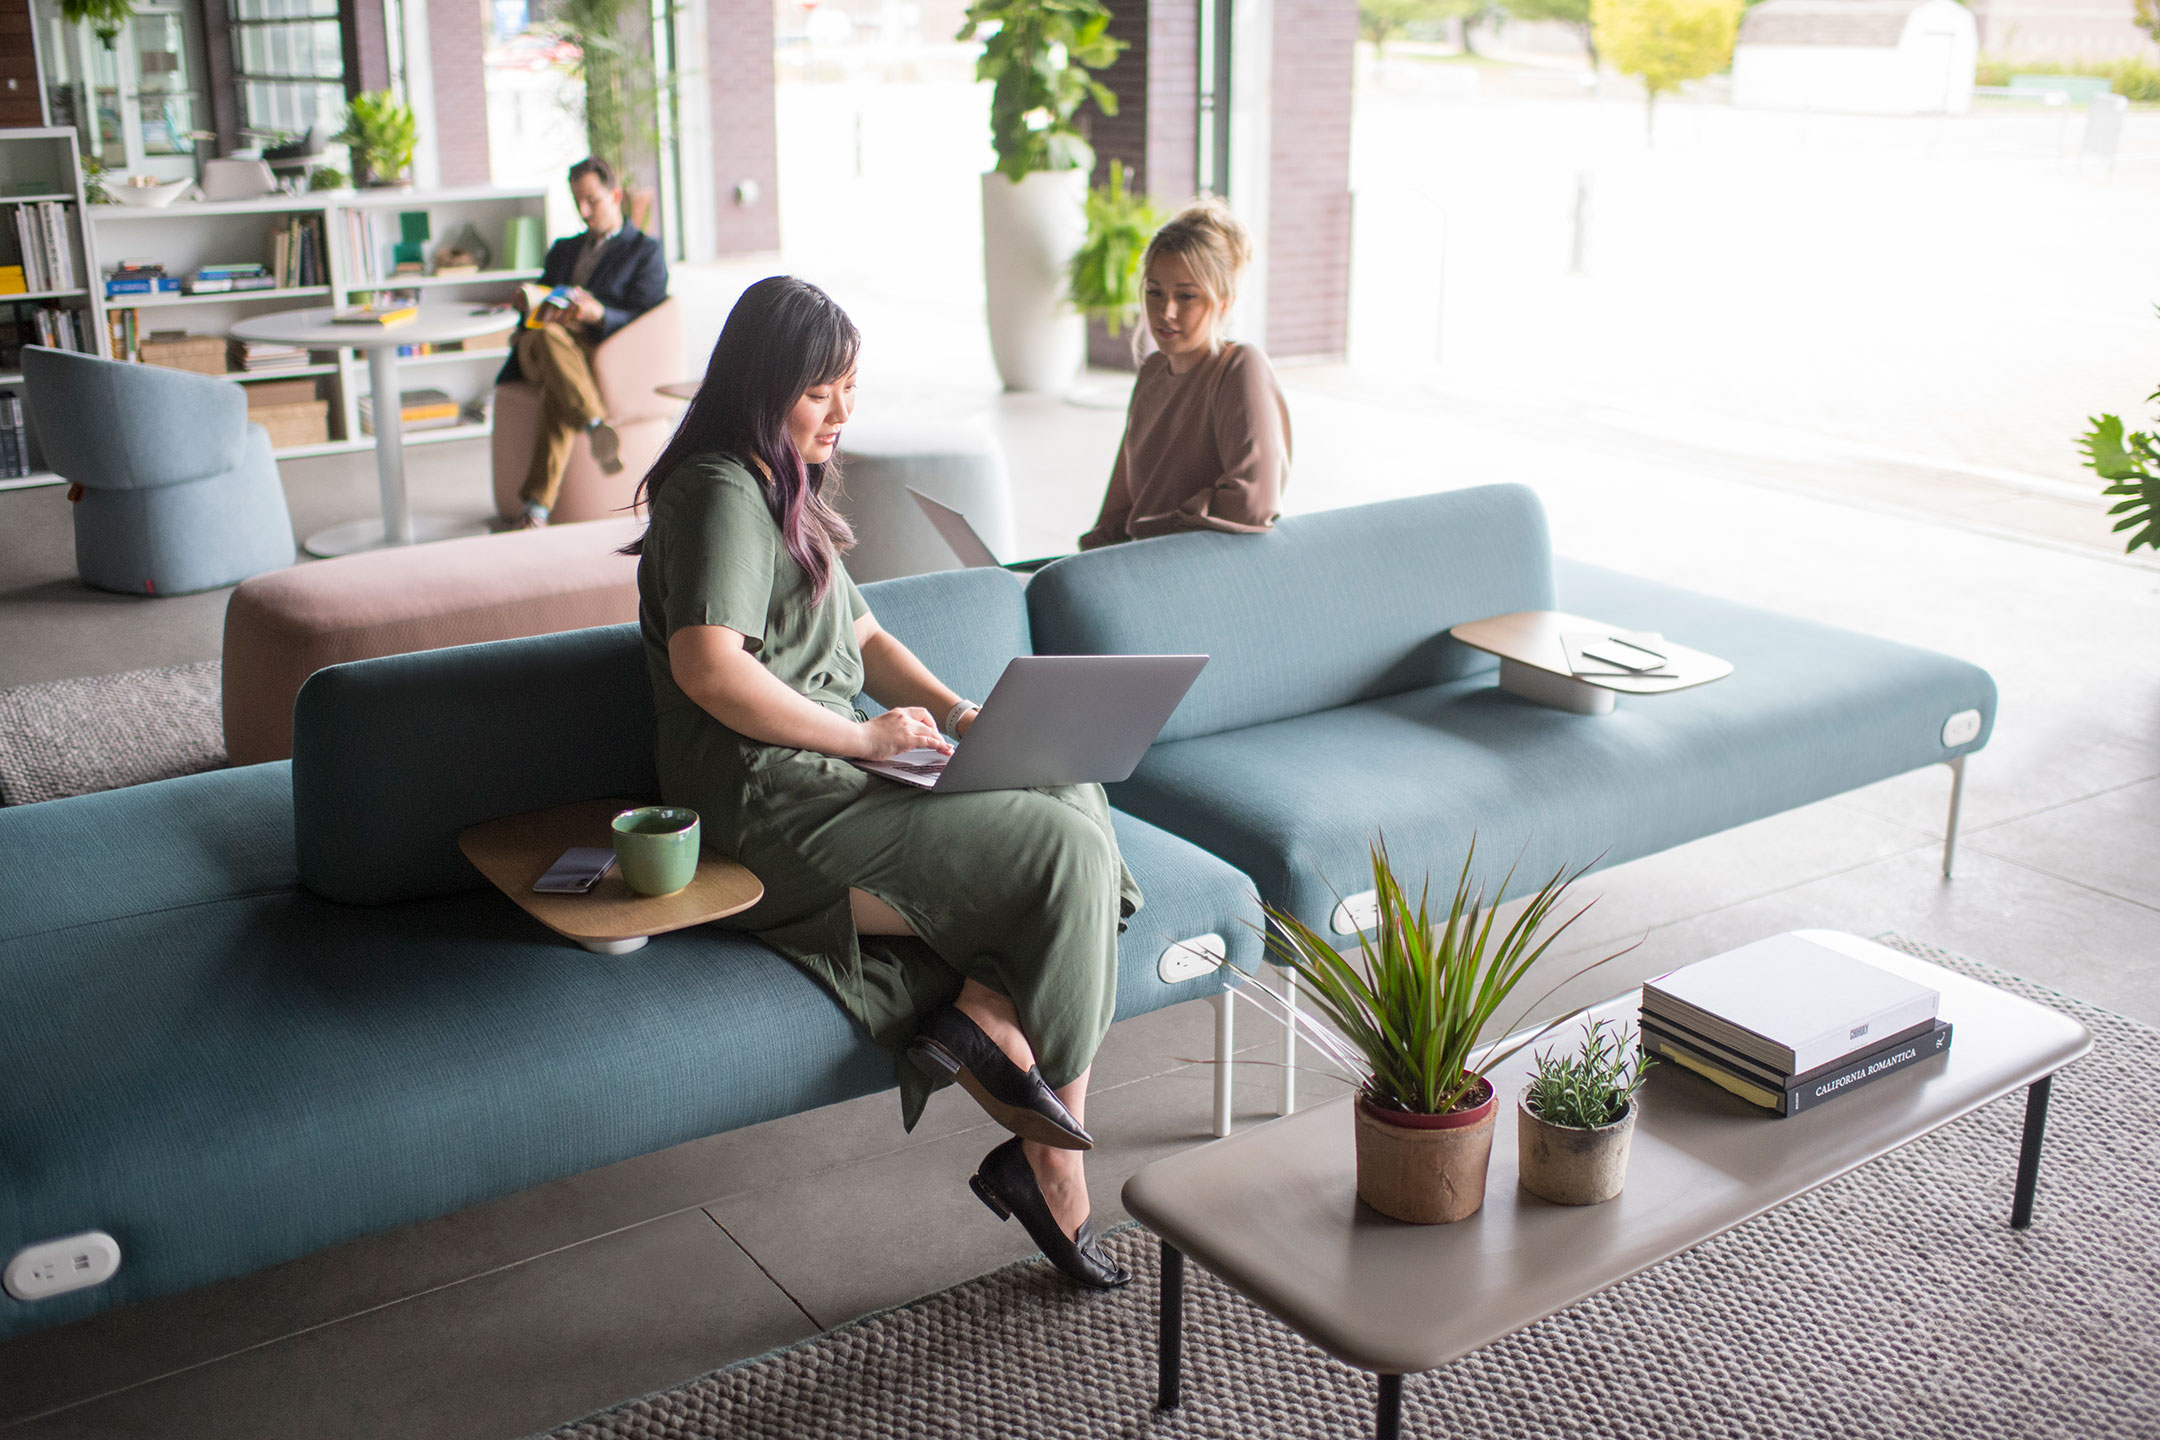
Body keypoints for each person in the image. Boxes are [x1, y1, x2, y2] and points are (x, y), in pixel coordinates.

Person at [628, 275, 1141, 1291]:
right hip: (773, 803)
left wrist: (959, 713)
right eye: (823, 392)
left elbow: (857, 633)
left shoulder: (783, 486)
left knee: (1069, 787)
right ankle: (1056, 1153)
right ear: (763, 386)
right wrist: (864, 744)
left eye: (850, 388)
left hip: (836, 773)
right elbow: (708, 668)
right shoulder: (723, 490)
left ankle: (988, 1007)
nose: (843, 412)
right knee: (1068, 852)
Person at [1078, 198, 1292, 550]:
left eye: (1187, 296)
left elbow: (1253, 503)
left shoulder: (1239, 367)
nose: (1167, 311)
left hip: (1190, 569)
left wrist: (1153, 530)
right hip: (1140, 561)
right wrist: (1079, 564)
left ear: (1224, 302)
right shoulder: (1152, 373)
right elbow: (1119, 510)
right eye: (1154, 292)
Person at [498, 156, 669, 528]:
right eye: (578, 201)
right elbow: (540, 298)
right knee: (546, 336)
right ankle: (594, 423)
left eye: (592, 199)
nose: (584, 210)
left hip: (592, 352)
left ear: (616, 195)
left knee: (557, 393)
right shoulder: (563, 249)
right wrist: (528, 301)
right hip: (538, 347)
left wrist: (598, 314)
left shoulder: (644, 252)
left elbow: (647, 316)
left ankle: (536, 509)